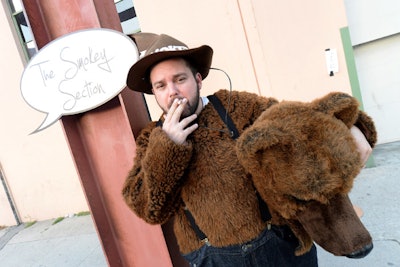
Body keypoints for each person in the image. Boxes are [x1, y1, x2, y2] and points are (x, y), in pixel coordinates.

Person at [122, 33, 373, 266]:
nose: (173, 92)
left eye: (180, 79)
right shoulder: (151, 138)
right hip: (215, 257)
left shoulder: (236, 105)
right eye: (161, 86)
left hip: (278, 243)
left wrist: (353, 126)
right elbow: (148, 208)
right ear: (154, 92)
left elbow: (298, 121)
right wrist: (169, 146)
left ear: (198, 80)